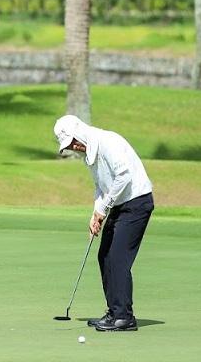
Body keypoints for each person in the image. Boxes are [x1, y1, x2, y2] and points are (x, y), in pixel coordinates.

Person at [54, 115, 154, 332]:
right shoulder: (89, 154)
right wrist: (95, 213)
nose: (74, 147)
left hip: (137, 203)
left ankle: (124, 318)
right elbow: (101, 186)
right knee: (105, 256)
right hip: (120, 205)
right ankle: (114, 312)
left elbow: (124, 175)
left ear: (79, 133)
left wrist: (104, 208)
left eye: (73, 142)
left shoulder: (108, 142)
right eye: (70, 145)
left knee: (118, 258)